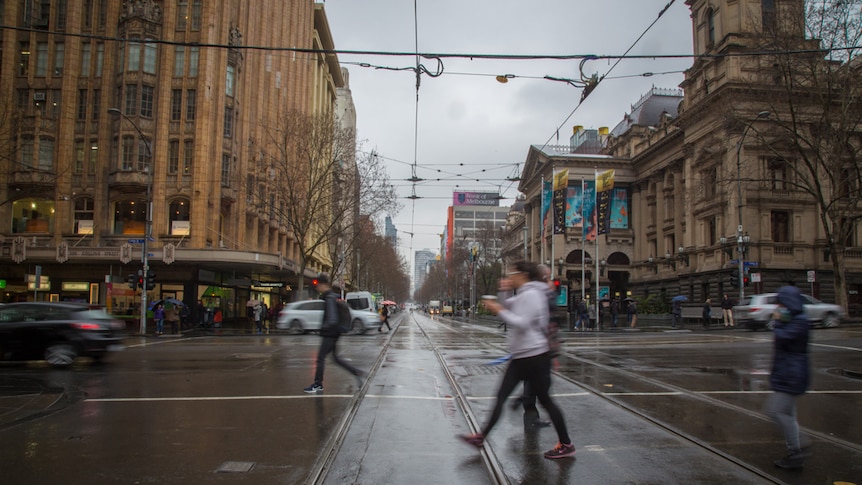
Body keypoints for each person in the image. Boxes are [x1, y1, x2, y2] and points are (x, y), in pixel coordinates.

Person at [460, 261, 576, 460]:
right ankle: (481, 436)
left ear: (522, 275)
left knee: (546, 401)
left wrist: (498, 309)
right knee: (501, 396)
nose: (509, 276)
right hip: (521, 356)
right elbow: (509, 307)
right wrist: (504, 292)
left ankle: (566, 443)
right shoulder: (524, 293)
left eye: (512, 273)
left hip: (535, 356)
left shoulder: (532, 295)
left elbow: (520, 322)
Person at [765, 286, 811, 469]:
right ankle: (796, 452)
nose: (778, 307)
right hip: (787, 372)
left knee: (774, 410)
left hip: (793, 374)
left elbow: (783, 337)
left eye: (781, 303)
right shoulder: (793, 319)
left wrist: (778, 322)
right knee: (789, 415)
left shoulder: (799, 322)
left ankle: (800, 447)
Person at [304, 275, 365, 393]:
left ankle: (318, 384)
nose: (317, 288)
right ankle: (356, 372)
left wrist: (323, 328)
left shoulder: (329, 298)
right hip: (334, 333)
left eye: (318, 285)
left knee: (320, 358)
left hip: (330, 333)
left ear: (323, 285)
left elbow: (332, 318)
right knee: (336, 359)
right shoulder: (331, 296)